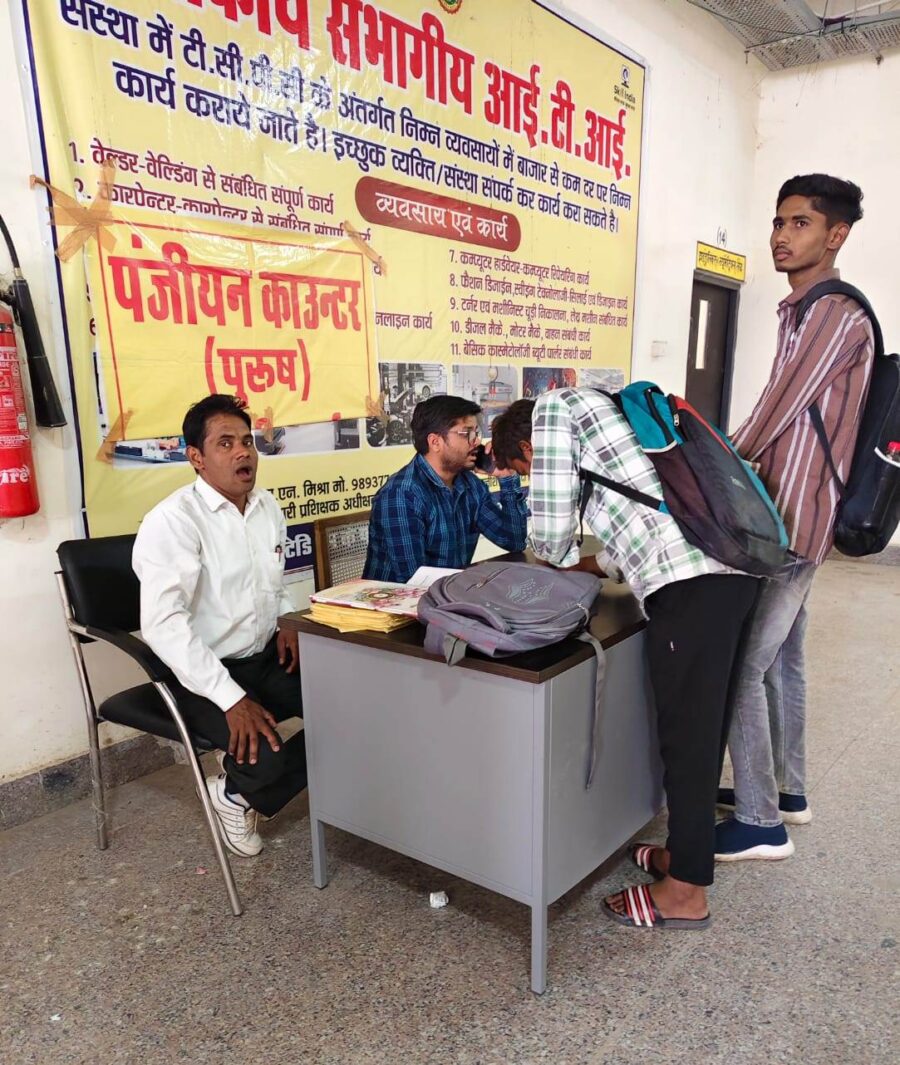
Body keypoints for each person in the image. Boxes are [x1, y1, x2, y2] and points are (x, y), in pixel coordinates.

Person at [492, 390, 758, 930]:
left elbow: (550, 540)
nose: (530, 475)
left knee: (686, 741)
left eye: (524, 470)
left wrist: (554, 550)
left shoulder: (552, 412)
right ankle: (683, 858)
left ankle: (685, 895)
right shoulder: (605, 407)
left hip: (690, 589)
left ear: (529, 447)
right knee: (704, 732)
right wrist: (589, 566)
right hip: (732, 569)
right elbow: (644, 516)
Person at [716, 174, 875, 860]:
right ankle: (788, 792)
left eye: (800, 223)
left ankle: (759, 821)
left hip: (790, 523)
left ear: (836, 235)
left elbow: (774, 410)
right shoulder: (803, 310)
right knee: (782, 658)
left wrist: (707, 464)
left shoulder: (833, 314)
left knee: (740, 666)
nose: (781, 236)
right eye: (779, 222)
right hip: (790, 515)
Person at [132, 394, 307, 858]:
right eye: (225, 443)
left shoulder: (266, 507)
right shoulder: (174, 521)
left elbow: (273, 582)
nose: (243, 452)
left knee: (351, 709)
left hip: (264, 655)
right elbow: (163, 625)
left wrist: (288, 617)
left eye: (247, 441)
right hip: (203, 672)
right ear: (196, 457)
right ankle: (236, 792)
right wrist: (231, 699)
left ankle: (238, 790)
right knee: (265, 760)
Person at [363, 395, 528, 583]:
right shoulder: (402, 495)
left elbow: (514, 541)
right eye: (466, 434)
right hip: (401, 599)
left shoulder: (470, 485)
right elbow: (414, 581)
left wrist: (506, 477)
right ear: (435, 442)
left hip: (446, 592)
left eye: (476, 433)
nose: (476, 442)